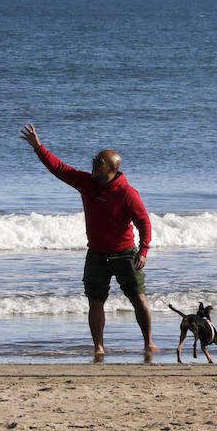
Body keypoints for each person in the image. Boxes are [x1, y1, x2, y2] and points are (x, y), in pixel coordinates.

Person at [20, 123, 157, 359]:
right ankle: (99, 347)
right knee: (95, 301)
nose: (93, 163)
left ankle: (149, 343)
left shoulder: (127, 193)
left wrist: (143, 251)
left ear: (112, 169)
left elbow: (144, 223)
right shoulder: (87, 183)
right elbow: (60, 169)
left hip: (125, 254)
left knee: (138, 298)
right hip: (96, 255)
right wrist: (38, 147)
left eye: (98, 161)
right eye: (95, 159)